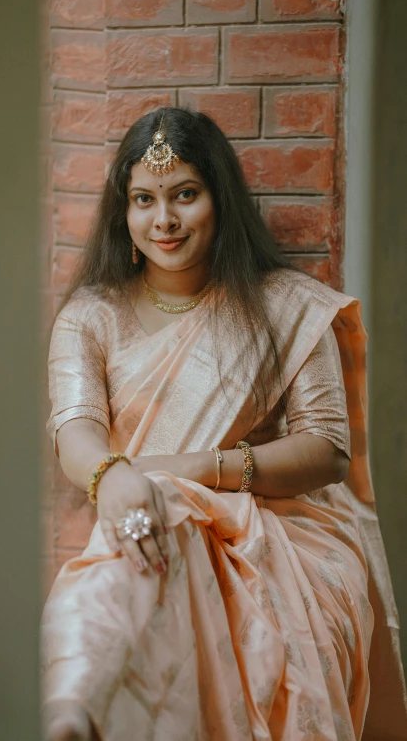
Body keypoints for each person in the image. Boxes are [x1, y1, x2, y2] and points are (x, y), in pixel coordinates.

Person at [41, 108, 406, 741]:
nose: (165, 220)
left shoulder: (287, 307)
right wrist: (114, 476)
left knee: (153, 532)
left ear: (220, 201)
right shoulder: (90, 316)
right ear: (123, 213)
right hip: (140, 510)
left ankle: (76, 705)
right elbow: (75, 428)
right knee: (136, 545)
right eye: (144, 199)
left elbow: (327, 450)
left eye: (185, 194)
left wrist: (186, 472)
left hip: (277, 533)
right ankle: (72, 711)